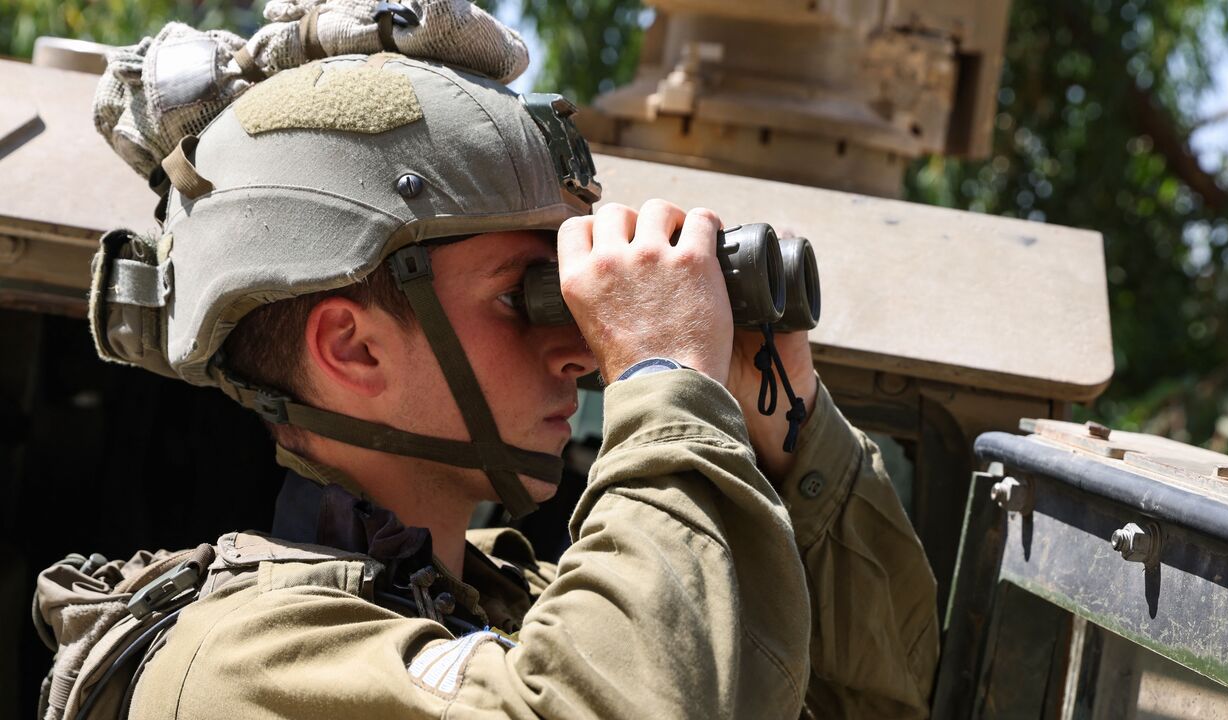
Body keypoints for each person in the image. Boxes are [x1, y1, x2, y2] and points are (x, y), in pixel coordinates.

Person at [37, 34, 938, 720]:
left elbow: (876, 696)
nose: (583, 351)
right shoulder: (242, 662)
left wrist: (788, 425)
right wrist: (665, 375)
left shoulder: (517, 599)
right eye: (526, 298)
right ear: (352, 349)